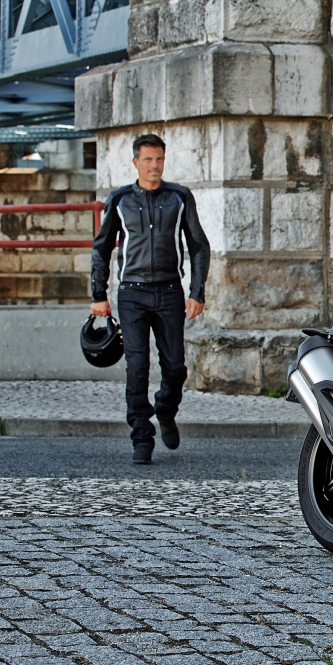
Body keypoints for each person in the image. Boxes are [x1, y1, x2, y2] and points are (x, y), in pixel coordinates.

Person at [90, 134, 211, 464]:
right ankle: (141, 435)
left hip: (170, 292)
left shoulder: (179, 197)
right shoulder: (119, 199)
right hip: (132, 293)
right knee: (137, 366)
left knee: (175, 366)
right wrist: (98, 294)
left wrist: (197, 292)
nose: (154, 165)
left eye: (159, 159)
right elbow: (101, 248)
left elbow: (199, 246)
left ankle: (165, 409)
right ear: (136, 162)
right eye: (147, 159)